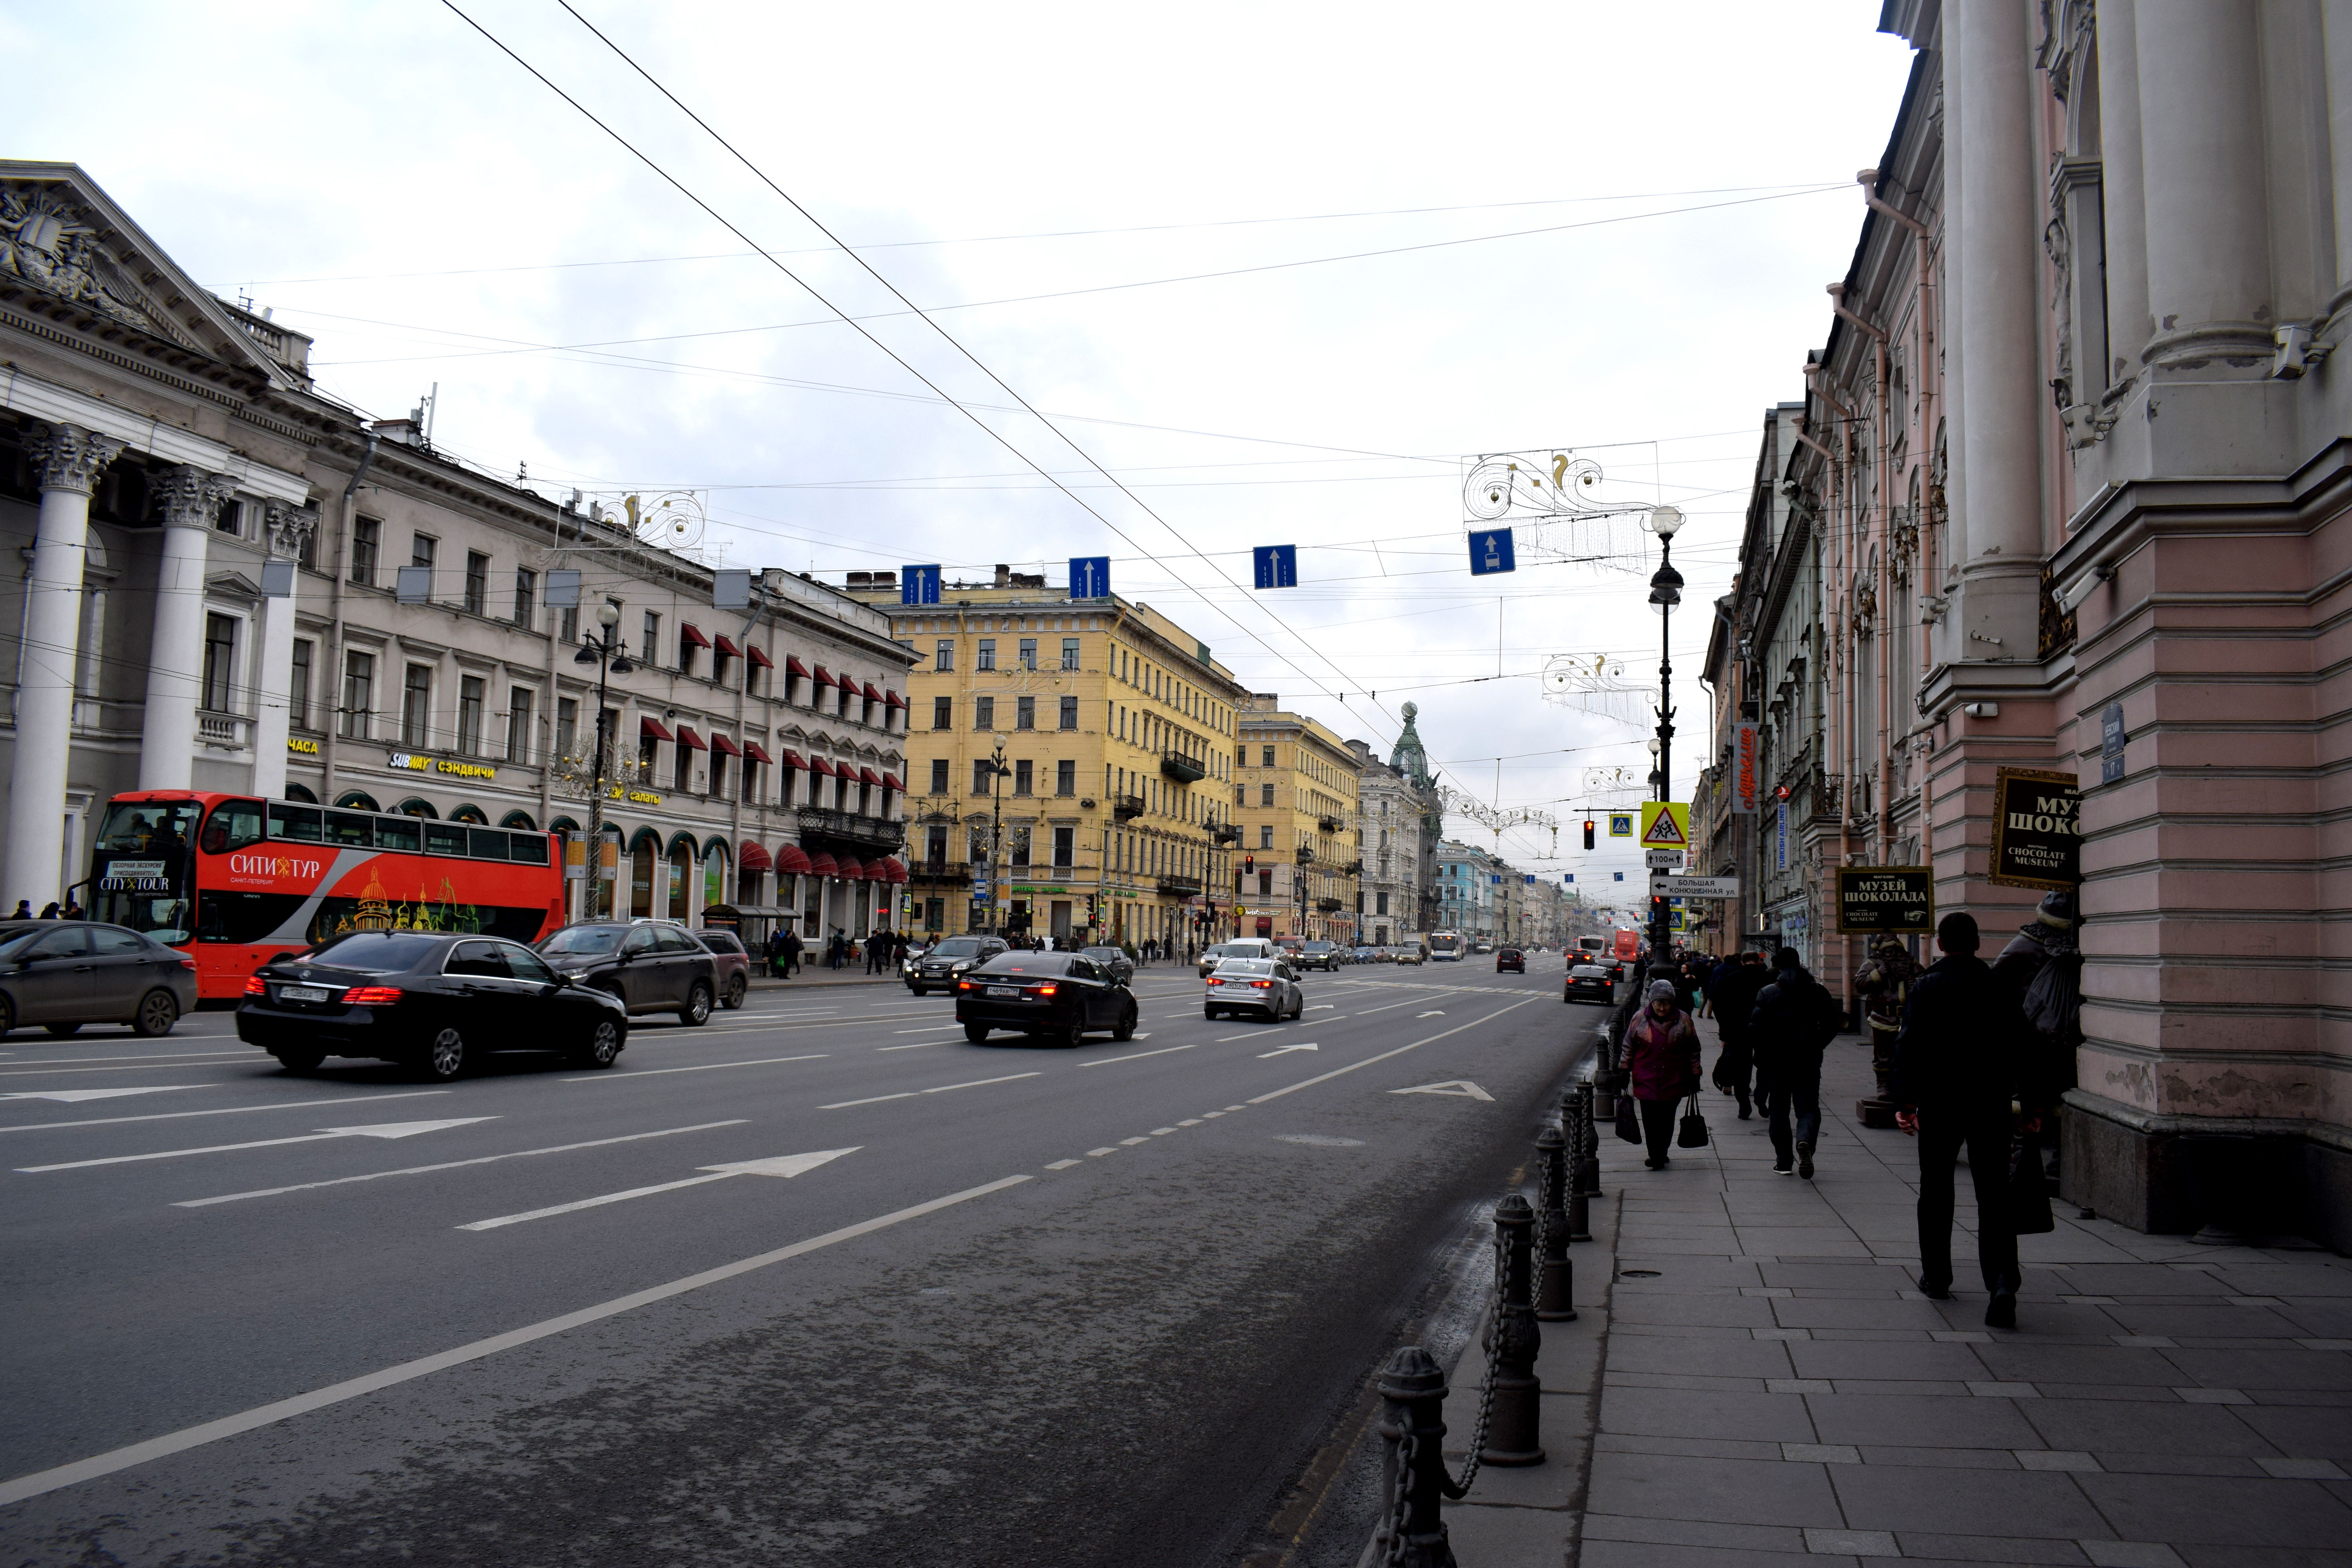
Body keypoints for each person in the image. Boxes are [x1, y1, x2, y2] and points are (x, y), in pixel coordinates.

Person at [1893, 911, 2031, 1329]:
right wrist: (2034, 1104)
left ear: (1939, 944)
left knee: (1935, 1190)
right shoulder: (2001, 987)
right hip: (1990, 1103)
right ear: (1978, 943)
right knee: (1995, 1195)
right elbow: (2024, 1047)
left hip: (1940, 1102)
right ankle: (2003, 1282)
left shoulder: (1926, 987)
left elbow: (1908, 1045)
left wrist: (1906, 1101)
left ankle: (1937, 1276)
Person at [1748, 946, 1842, 1178]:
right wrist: (1817, 1045)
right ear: (1799, 963)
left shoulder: (1767, 993)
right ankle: (1805, 1142)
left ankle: (1783, 1163)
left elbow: (1755, 1030)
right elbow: (1832, 1024)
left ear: (1778, 966)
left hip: (1776, 1063)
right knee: (1808, 1109)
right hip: (1807, 1061)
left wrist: (1762, 1056)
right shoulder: (1818, 992)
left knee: (1779, 1111)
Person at [1617, 979, 1702, 1169]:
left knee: (1667, 1118)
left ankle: (1662, 1151)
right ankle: (1655, 1155)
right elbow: (1628, 1046)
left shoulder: (1683, 1020)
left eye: (1665, 1003)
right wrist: (1624, 1069)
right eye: (1658, 1003)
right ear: (1651, 1003)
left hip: (1674, 1078)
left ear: (1672, 1003)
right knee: (1650, 1119)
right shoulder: (1639, 1019)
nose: (1661, 1008)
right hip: (1645, 1078)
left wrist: (1695, 1073)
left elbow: (1693, 1049)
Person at [1708, 949, 1773, 1119]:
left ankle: (1744, 1106)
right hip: (1765, 1031)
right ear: (1758, 961)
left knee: (1742, 1069)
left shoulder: (1731, 979)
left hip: (1738, 1031)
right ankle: (1761, 1097)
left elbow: (1720, 1007)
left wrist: (1725, 1033)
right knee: (1766, 1066)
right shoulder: (1769, 979)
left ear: (1743, 962)